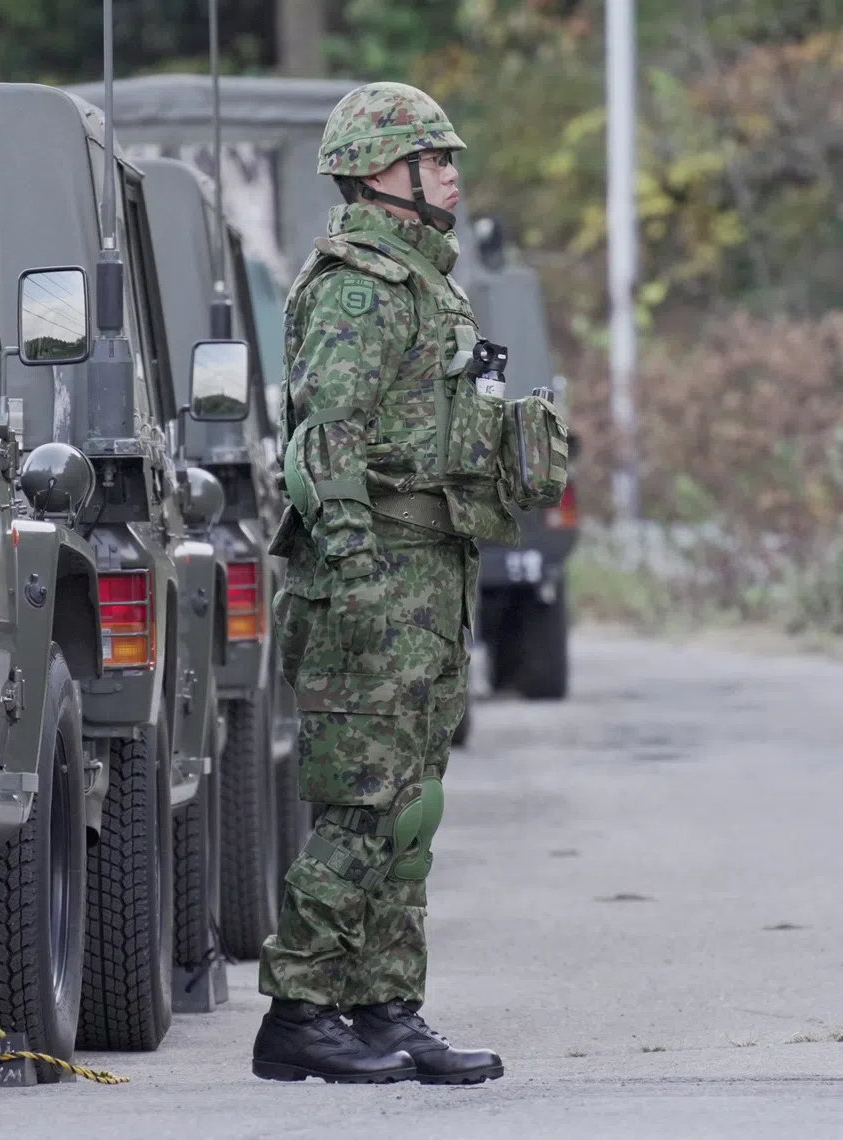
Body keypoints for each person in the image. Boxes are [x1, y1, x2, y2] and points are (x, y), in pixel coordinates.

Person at [252, 81, 511, 1086]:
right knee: (363, 805)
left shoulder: (425, 282)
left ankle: (385, 1008)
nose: (452, 170)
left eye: (448, 155)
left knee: (411, 808)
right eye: (435, 156)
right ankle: (302, 1009)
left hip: (430, 573)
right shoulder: (357, 286)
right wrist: (354, 568)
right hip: (375, 580)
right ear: (382, 173)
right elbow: (328, 439)